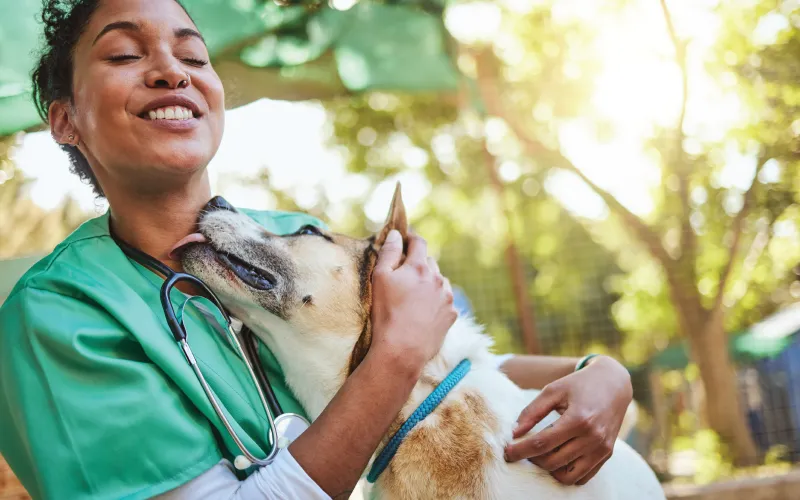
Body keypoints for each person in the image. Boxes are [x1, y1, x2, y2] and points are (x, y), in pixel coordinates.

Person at [0, 0, 635, 498]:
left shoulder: (289, 234)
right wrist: (396, 353)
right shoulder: (58, 315)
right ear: (65, 120)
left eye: (194, 57)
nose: (172, 71)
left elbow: (439, 376)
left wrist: (597, 373)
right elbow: (400, 358)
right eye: (122, 54)